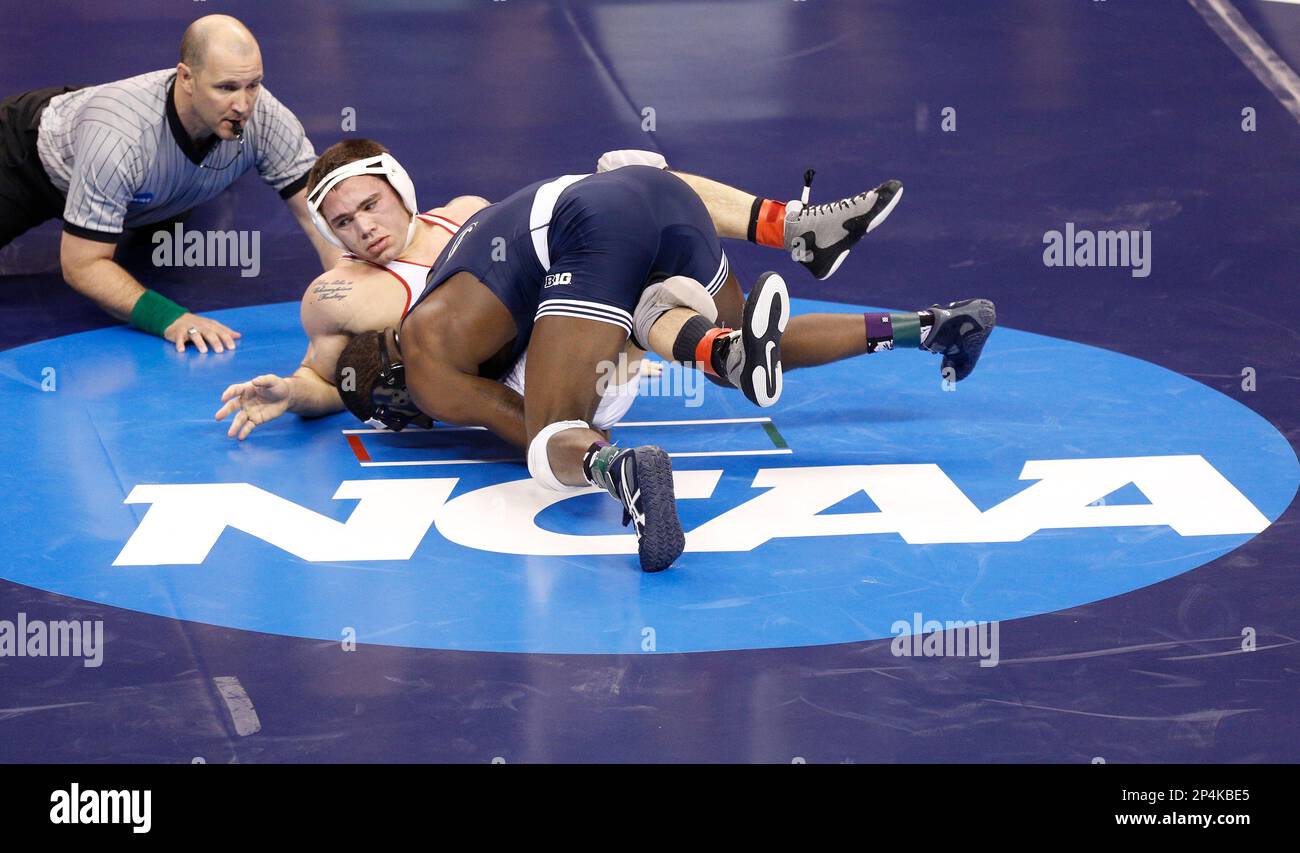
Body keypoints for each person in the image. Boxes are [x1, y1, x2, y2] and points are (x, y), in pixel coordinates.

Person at [332, 165, 996, 572]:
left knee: (551, 431)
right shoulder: (458, 270)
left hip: (595, 230)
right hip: (668, 197)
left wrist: (575, 428)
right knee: (731, 343)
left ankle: (624, 474)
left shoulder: (425, 355)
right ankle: (927, 326)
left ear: (394, 384)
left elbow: (526, 424)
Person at [215, 139, 903, 439]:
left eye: (368, 206)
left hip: (572, 301)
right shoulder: (337, 292)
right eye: (341, 222)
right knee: (615, 231)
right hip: (544, 358)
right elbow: (330, 373)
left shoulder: (465, 210)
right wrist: (289, 390)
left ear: (399, 190)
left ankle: (802, 250)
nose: (361, 229)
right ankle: (764, 278)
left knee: (623, 180)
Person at [0, 14, 338, 353]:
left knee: (156, 194)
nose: (243, 105)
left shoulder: (264, 118)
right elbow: (81, 265)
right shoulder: (119, 138)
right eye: (226, 88)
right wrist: (171, 318)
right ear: (186, 78)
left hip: (142, 185)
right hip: (30, 163)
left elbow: (319, 215)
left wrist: (351, 293)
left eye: (253, 85)